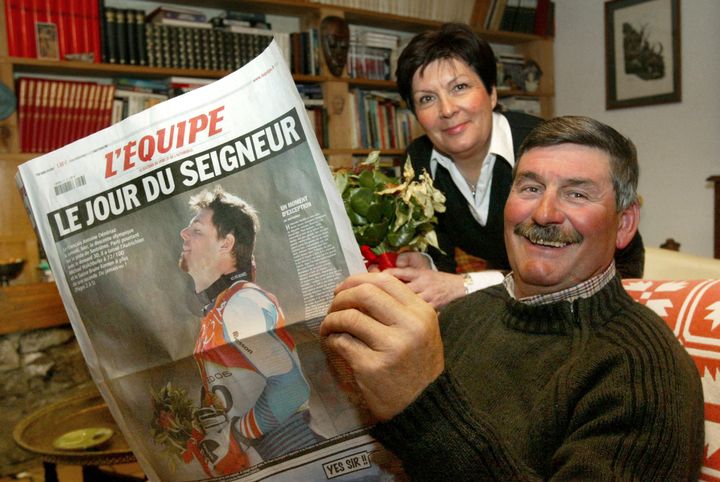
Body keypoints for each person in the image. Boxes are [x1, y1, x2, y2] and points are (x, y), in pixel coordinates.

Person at [321, 116, 704, 480]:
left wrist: (422, 404)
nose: (545, 213)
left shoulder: (642, 374)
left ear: (623, 224)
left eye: (577, 194)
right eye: (531, 188)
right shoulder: (464, 315)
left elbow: (423, 422)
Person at [386, 23, 644, 309]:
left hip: (599, 286)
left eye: (459, 87)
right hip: (516, 293)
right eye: (427, 99)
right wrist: (427, 264)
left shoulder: (541, 149)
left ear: (492, 94)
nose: (447, 110)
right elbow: (443, 262)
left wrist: (467, 284)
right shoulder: (418, 161)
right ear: (415, 114)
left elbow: (559, 263)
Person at [178, 186, 323, 476]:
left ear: (226, 243)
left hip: (297, 460)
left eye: (196, 229)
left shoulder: (239, 303)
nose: (184, 233)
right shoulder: (224, 306)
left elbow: (291, 388)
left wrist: (237, 436)